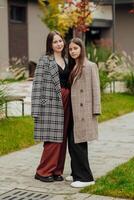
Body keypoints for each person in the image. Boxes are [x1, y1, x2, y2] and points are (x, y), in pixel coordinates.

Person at [31, 31, 71, 182]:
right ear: (50, 44)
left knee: (62, 138)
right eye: (55, 42)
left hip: (67, 102)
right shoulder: (44, 60)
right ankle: (43, 171)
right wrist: (37, 110)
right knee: (52, 139)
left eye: (60, 41)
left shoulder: (67, 60)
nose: (59, 44)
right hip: (50, 104)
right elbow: (37, 85)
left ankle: (56, 171)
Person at [67, 38, 101, 188]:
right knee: (72, 143)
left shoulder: (90, 66)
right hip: (73, 111)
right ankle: (76, 173)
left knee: (79, 143)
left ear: (81, 49)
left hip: (84, 111)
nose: (73, 51)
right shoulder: (73, 66)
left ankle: (86, 178)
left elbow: (96, 89)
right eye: (70, 49)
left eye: (75, 48)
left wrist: (95, 110)